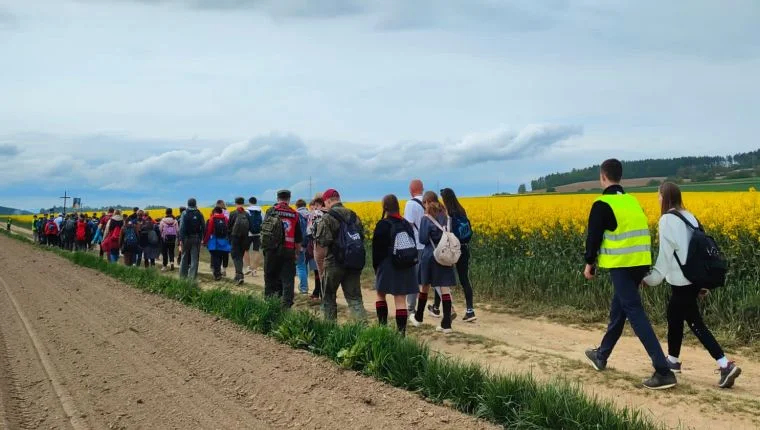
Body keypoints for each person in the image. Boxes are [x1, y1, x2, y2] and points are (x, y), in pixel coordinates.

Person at [583, 158, 677, 390]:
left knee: (634, 311)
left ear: (603, 177)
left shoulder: (602, 203)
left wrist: (589, 263)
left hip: (621, 264)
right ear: (620, 177)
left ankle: (663, 370)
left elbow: (593, 238)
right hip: (640, 262)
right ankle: (602, 355)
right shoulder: (632, 201)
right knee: (620, 309)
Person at [642, 182, 741, 388]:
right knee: (675, 316)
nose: (658, 199)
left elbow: (665, 256)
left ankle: (725, 365)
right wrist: (702, 284)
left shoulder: (667, 219)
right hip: (694, 279)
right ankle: (674, 361)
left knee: (695, 323)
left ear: (665, 197)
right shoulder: (690, 216)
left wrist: (650, 279)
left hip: (681, 280)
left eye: (659, 196)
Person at [409, 191, 457, 334]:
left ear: (426, 202)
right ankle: (446, 324)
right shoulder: (447, 216)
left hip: (431, 255)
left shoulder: (426, 218)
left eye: (424, 203)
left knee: (424, 286)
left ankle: (418, 318)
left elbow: (423, 239)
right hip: (445, 254)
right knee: (444, 288)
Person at [315, 188, 366, 321]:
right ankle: (363, 330)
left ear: (327, 201)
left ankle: (329, 330)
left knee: (328, 298)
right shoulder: (354, 216)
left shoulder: (327, 217)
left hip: (334, 263)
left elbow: (323, 241)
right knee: (355, 299)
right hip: (353, 262)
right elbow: (361, 237)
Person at [372, 194, 419, 335]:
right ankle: (401, 334)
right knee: (400, 300)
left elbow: (376, 250)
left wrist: (377, 268)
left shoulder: (383, 224)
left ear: (385, 208)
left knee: (380, 294)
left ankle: (382, 328)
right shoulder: (405, 223)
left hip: (388, 265)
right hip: (406, 264)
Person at [431, 188, 476, 322]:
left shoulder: (448, 214)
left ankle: (437, 307)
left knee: (442, 279)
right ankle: (470, 310)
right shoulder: (462, 211)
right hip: (464, 249)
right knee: (464, 279)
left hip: (451, 250)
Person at [262, 190, 302, 309]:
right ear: (289, 199)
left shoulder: (271, 211)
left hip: (272, 250)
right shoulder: (294, 214)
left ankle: (270, 304)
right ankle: (286, 308)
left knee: (270, 277)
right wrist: (297, 253)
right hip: (288, 251)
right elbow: (298, 237)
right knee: (288, 280)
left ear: (277, 198)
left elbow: (264, 231)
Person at [404, 179, 425, 315]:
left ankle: (411, 308)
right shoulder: (431, 201)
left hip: (416, 245)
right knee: (432, 276)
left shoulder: (411, 204)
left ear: (411, 190)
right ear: (422, 189)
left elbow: (408, 225)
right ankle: (446, 306)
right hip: (430, 245)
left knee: (413, 277)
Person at [179, 198, 205, 281]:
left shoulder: (185, 213)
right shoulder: (199, 213)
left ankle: (182, 277)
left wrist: (182, 240)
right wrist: (201, 237)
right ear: (195, 204)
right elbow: (203, 227)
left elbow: (182, 228)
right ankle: (192, 278)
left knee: (184, 257)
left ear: (188, 204)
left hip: (186, 238)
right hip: (196, 238)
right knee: (194, 258)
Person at [228, 197, 252, 285]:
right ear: (243, 203)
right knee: (240, 257)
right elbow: (251, 227)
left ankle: (239, 276)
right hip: (245, 238)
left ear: (235, 203)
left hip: (235, 238)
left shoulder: (233, 213)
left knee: (235, 256)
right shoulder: (247, 214)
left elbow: (229, 226)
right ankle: (237, 275)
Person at [204, 206, 232, 281]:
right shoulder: (225, 219)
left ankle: (217, 274)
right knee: (222, 255)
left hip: (214, 241)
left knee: (216, 257)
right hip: (224, 241)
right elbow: (229, 230)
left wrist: (205, 240)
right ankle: (220, 272)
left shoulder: (212, 218)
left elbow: (209, 231)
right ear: (221, 212)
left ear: (214, 211)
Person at [307, 196, 326, 301]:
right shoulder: (328, 213)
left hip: (317, 245)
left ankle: (319, 293)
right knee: (323, 271)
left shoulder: (314, 214)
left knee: (318, 271)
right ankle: (322, 292)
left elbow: (309, 231)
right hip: (328, 246)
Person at [295, 199, 311, 295]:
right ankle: (305, 286)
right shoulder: (311, 214)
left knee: (300, 266)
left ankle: (304, 288)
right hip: (311, 245)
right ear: (305, 205)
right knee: (305, 265)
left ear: (297, 206)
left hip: (300, 244)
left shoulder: (296, 215)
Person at [244, 196, 263, 276]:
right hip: (258, 234)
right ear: (256, 201)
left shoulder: (246, 210)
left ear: (249, 202)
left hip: (248, 233)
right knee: (256, 251)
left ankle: (248, 267)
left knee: (246, 250)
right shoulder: (261, 210)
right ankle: (254, 270)